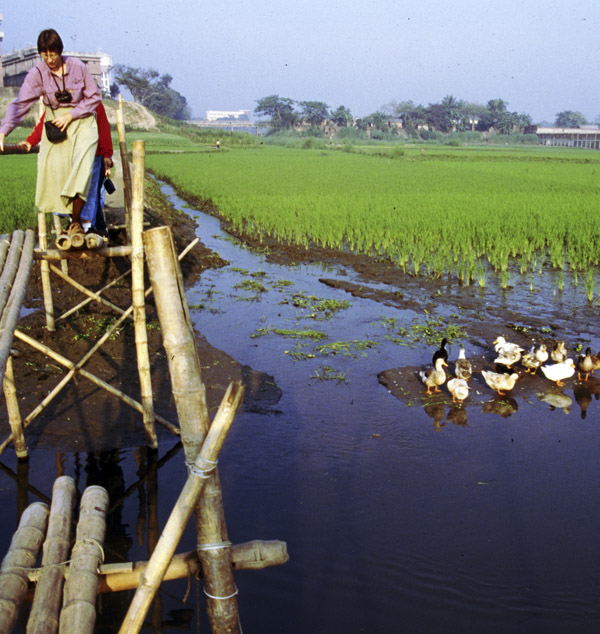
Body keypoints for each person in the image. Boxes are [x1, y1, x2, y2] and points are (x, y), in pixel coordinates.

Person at [0, 29, 101, 236]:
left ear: (60, 51)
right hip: (55, 124)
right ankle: (68, 220)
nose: (49, 59)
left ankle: (76, 222)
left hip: (81, 120)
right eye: (44, 55)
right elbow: (21, 104)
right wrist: (3, 131)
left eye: (52, 54)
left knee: (83, 160)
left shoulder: (77, 67)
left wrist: (71, 115)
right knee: (53, 167)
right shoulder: (37, 73)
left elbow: (94, 97)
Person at [21, 102, 114, 237]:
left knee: (90, 192)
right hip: (68, 157)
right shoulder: (57, 106)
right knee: (70, 191)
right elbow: (44, 125)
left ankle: (87, 228)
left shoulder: (93, 104)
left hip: (92, 156)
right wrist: (30, 141)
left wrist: (107, 154)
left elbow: (103, 128)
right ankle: (76, 224)